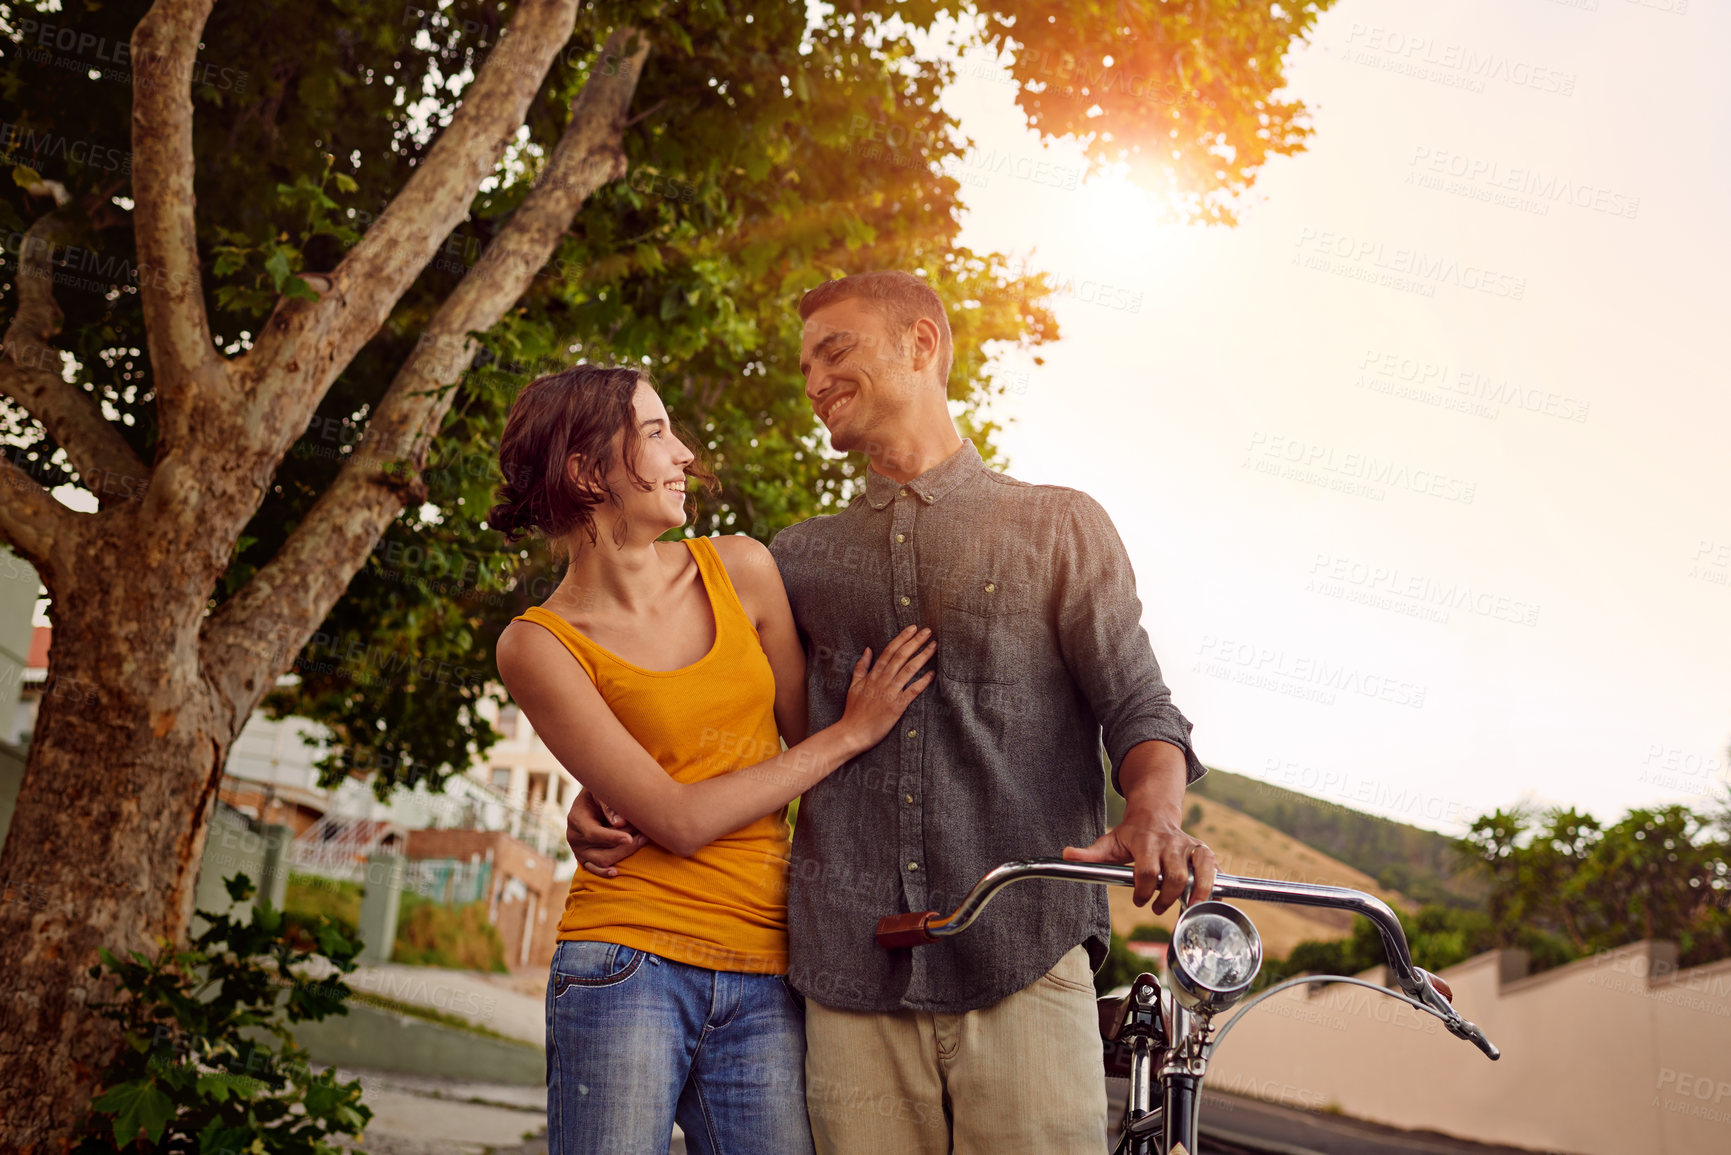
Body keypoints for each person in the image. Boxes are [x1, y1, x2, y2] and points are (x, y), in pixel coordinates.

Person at [570, 270, 1218, 1154]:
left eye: (833, 351)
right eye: (803, 365)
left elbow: (1139, 703)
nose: (812, 380)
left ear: (922, 344)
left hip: (1022, 957)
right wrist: (609, 795)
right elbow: (700, 694)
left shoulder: (1058, 526)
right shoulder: (793, 559)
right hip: (846, 983)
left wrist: (1153, 811)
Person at [491, 363, 936, 1154]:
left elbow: (799, 753)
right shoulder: (537, 644)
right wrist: (850, 730)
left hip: (769, 967)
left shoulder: (741, 569)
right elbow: (682, 818)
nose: (685, 453)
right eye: (657, 433)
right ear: (588, 471)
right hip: (625, 960)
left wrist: (834, 740)